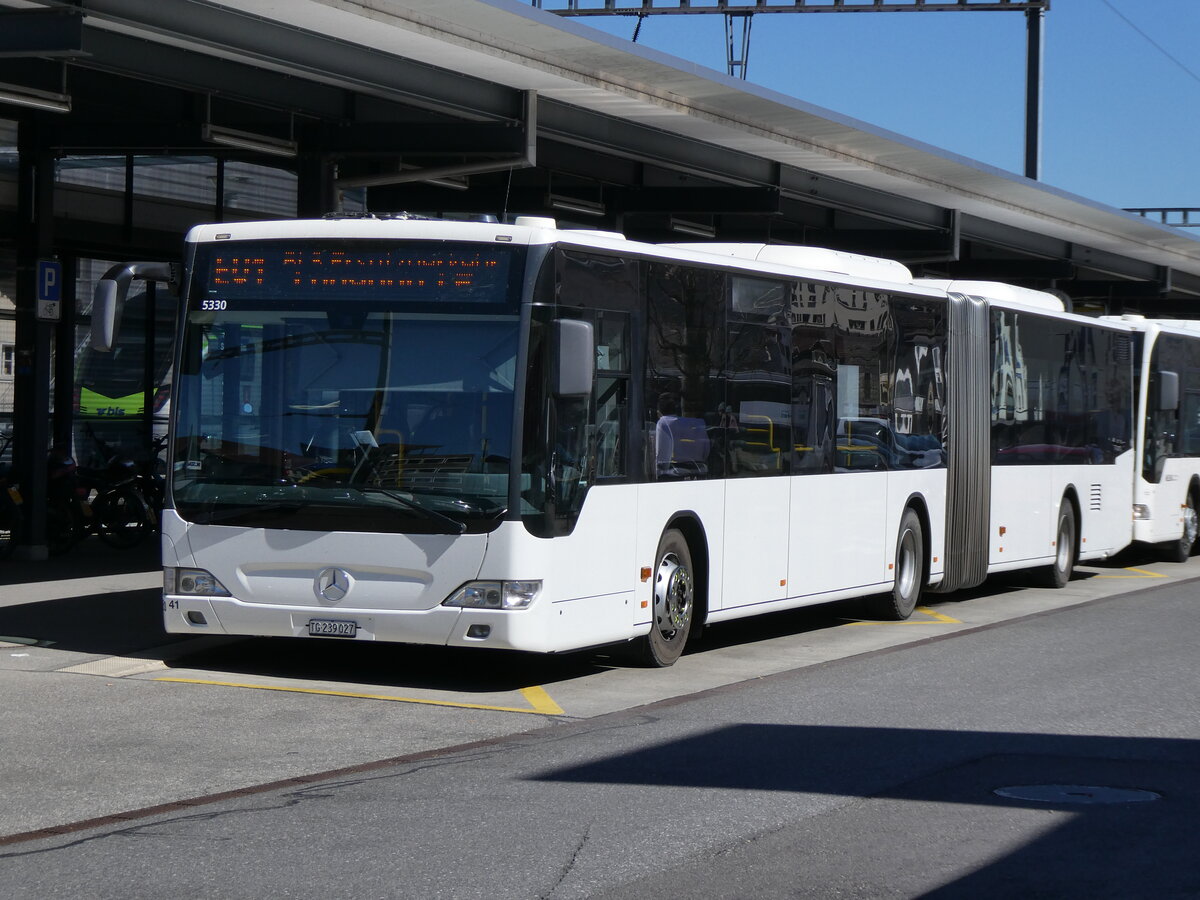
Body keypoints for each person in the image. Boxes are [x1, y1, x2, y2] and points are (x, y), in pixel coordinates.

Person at [655, 393, 710, 479]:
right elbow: (706, 451)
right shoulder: (699, 423)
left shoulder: (663, 423)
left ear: (659, 412)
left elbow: (662, 457)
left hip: (674, 476)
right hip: (699, 473)